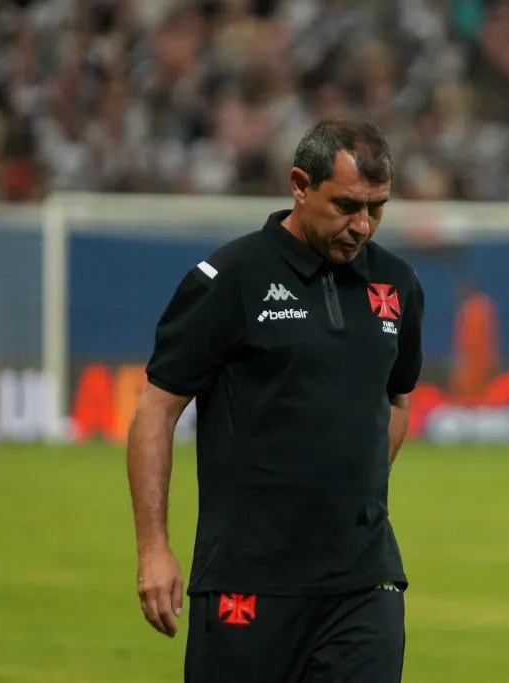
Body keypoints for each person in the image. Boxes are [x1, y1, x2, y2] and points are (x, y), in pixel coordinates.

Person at [126, 119, 424, 683]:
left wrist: (348, 493)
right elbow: (155, 410)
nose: (362, 226)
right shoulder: (229, 280)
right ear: (299, 184)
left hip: (365, 584)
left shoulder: (398, 282)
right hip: (248, 581)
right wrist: (153, 549)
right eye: (346, 206)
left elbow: (398, 401)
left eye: (377, 208)